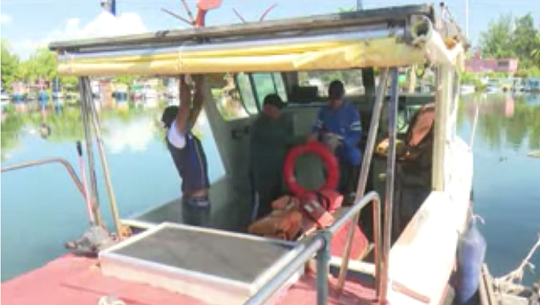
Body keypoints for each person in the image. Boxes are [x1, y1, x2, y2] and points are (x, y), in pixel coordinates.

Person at [161, 75, 210, 226]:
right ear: (174, 122)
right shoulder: (175, 137)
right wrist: (184, 76)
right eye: (183, 117)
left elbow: (197, 105)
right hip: (194, 203)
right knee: (198, 245)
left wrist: (200, 80)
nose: (187, 118)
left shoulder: (184, 134)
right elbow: (185, 104)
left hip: (200, 202)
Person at [250, 94, 302, 219]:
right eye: (277, 109)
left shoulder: (275, 123)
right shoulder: (262, 125)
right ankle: (254, 231)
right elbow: (283, 139)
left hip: (274, 173)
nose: (280, 113)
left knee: (275, 203)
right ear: (268, 109)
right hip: (263, 175)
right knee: (262, 205)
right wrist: (307, 139)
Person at [308, 80, 362, 198]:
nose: (334, 103)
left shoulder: (352, 112)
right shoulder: (324, 111)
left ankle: (351, 190)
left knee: (355, 156)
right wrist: (314, 134)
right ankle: (330, 193)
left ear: (342, 96)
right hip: (327, 148)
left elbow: (356, 134)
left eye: (337, 100)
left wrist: (340, 140)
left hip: (346, 147)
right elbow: (316, 127)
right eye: (332, 100)